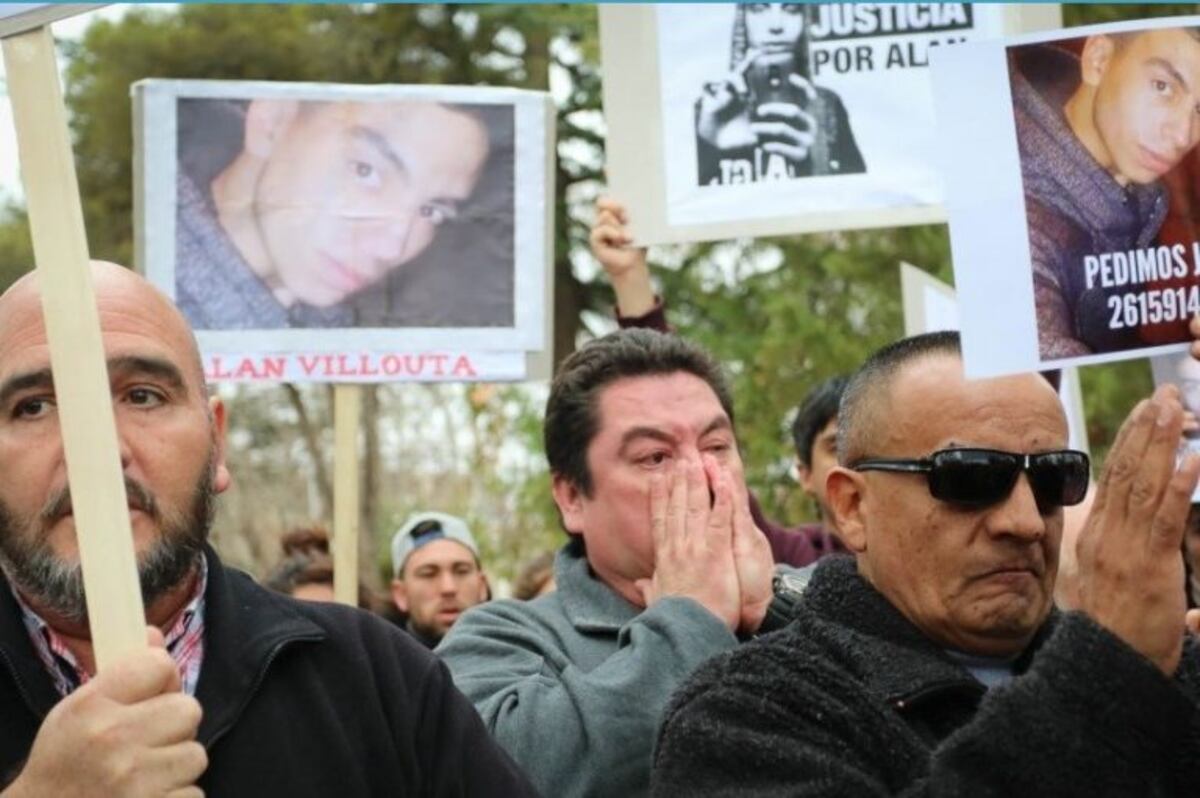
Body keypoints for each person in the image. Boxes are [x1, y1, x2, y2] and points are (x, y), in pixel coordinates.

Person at [0, 262, 535, 796]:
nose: (98, 451)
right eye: (34, 407)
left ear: (218, 444)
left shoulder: (378, 680)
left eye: (144, 396)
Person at [652, 331, 1200, 796]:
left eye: (1054, 477)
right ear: (851, 506)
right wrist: (1103, 681)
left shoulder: (1162, 667)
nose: (1026, 521)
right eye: (970, 476)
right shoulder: (744, 712)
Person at [438, 328, 804, 797]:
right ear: (572, 496)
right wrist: (691, 619)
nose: (703, 477)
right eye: (655, 457)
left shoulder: (810, 596)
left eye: (716, 447)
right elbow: (510, 774)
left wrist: (773, 612)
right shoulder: (500, 640)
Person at [590, 196, 845, 564]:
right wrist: (631, 279)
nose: (857, 467)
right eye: (837, 448)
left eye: (875, 451)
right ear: (804, 475)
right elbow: (673, 400)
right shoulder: (787, 566)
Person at [175, 97, 503, 329]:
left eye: (431, 210)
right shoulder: (153, 303)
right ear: (273, 123)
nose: (391, 249)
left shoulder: (350, 331)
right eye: (366, 170)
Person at [1011, 28, 1200, 357]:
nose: (1183, 135)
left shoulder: (1130, 175)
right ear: (1098, 61)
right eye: (1163, 86)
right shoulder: (1022, 221)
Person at [695, 3, 863, 185]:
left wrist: (813, 159)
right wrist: (709, 142)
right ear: (742, 19)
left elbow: (856, 192)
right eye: (759, 8)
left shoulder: (826, 104)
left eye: (791, 9)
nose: (776, 25)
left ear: (804, 18)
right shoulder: (711, 111)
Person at [389, 511, 490, 649]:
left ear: (482, 585)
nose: (448, 588)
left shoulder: (519, 659)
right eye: (428, 574)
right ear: (401, 594)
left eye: (461, 571)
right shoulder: (379, 667)